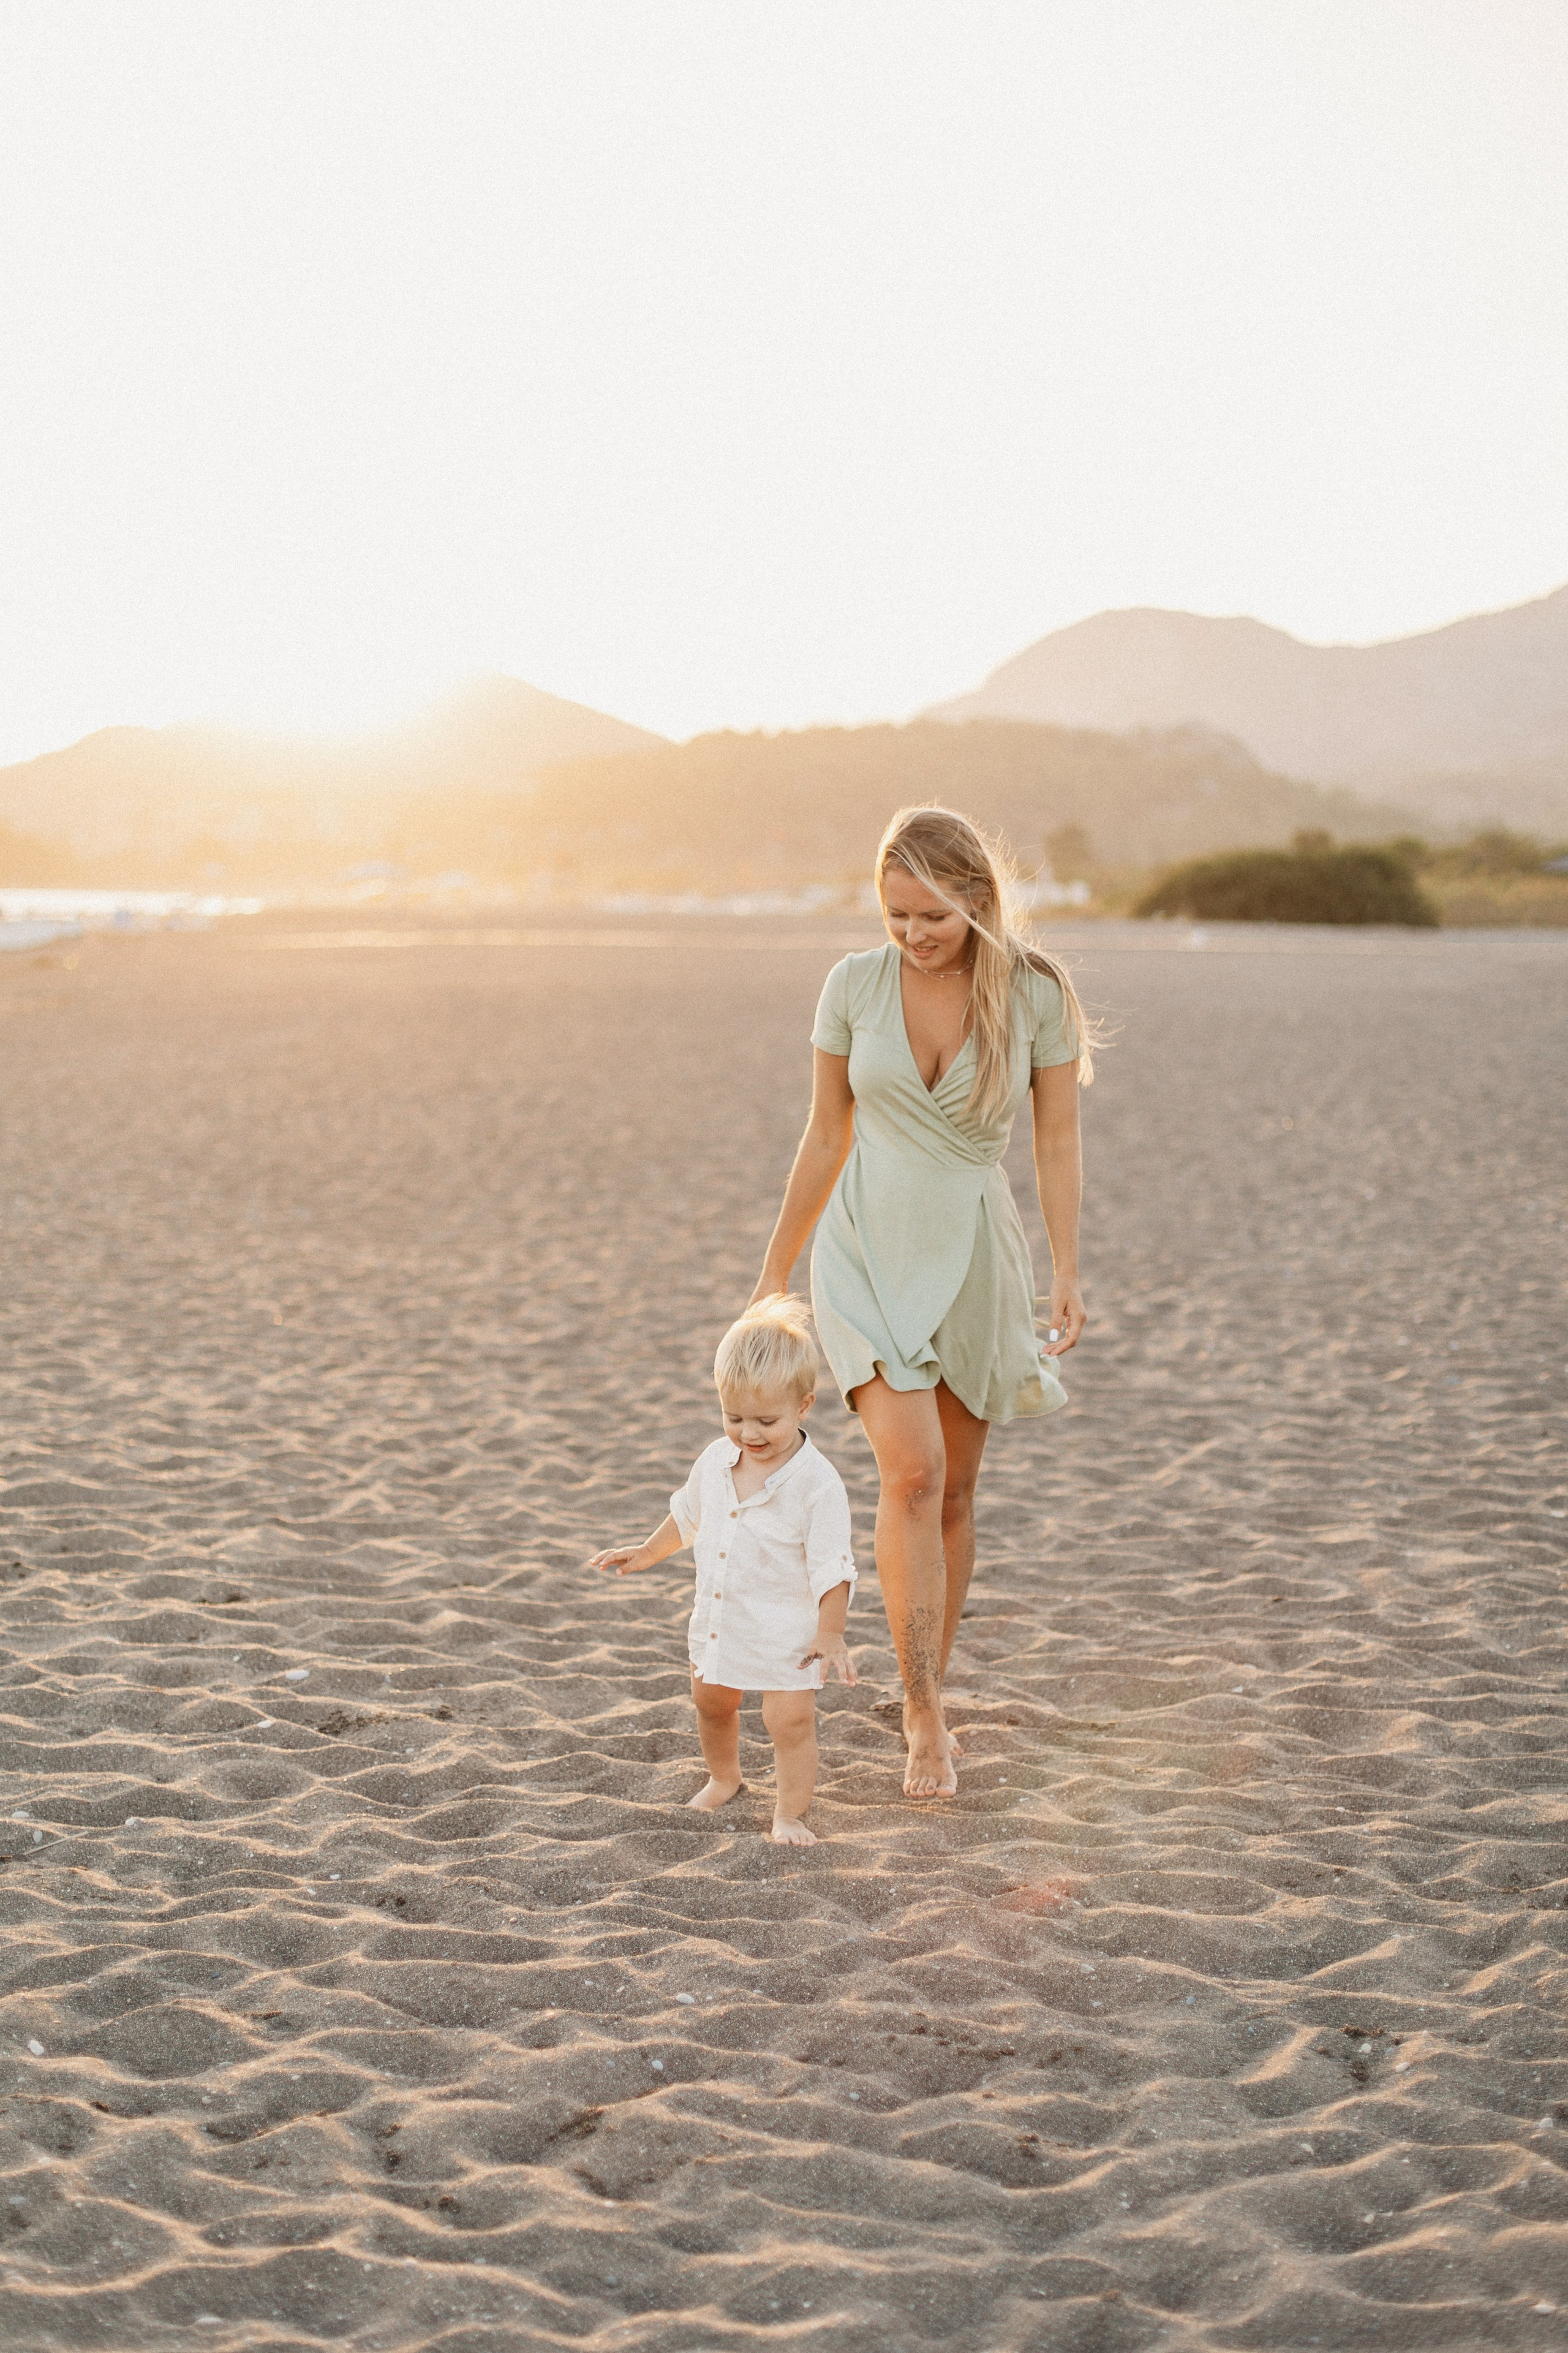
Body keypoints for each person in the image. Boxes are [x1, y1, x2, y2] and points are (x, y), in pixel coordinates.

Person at [749, 805, 1095, 1799]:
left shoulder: (1035, 994)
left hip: (975, 1251)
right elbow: (825, 1136)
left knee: (951, 1492)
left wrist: (1067, 1270)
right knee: (910, 1471)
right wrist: (775, 1269)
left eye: (931, 915)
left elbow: (1058, 1140)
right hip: (864, 1247)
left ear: (979, 897)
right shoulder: (851, 987)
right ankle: (922, 1711)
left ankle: (926, 1676)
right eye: (896, 915)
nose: (911, 935)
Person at [586, 1296, 858, 1846]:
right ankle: (724, 1777)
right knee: (712, 1704)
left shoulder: (818, 1484)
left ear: (804, 1405)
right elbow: (687, 1515)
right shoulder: (715, 1460)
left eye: (766, 1420)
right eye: (734, 1418)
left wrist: (831, 1633)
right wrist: (645, 1551)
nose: (749, 1433)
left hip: (787, 1633)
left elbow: (835, 1567)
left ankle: (790, 1814)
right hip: (721, 1619)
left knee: (789, 1725)